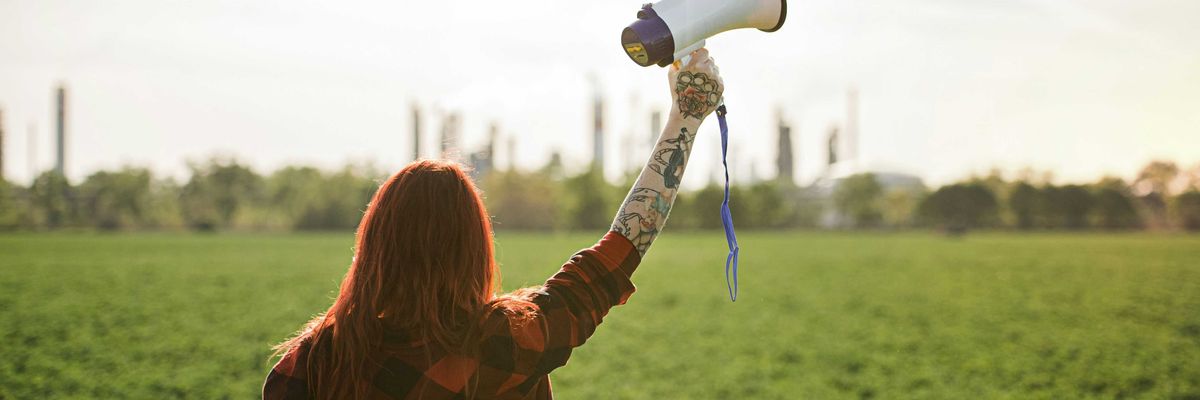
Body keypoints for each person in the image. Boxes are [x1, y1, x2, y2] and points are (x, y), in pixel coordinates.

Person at [263, 49, 723, 400]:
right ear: (473, 247)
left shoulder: (308, 365)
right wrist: (687, 115)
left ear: (375, 245)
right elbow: (621, 246)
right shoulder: (505, 342)